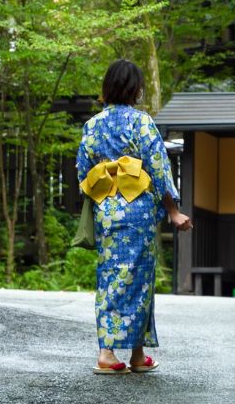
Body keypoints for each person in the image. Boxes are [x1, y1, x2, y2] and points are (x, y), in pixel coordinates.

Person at [76, 59, 192, 375]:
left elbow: (83, 174)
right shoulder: (141, 123)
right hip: (137, 211)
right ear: (134, 88)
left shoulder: (92, 126)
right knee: (139, 279)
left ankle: (123, 352)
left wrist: (105, 196)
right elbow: (157, 167)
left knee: (110, 276)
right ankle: (119, 354)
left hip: (107, 213)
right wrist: (172, 210)